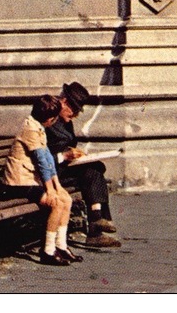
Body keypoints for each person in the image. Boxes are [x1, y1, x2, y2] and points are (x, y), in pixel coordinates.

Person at [1, 94, 80, 266]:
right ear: (50, 119)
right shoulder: (30, 129)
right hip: (19, 183)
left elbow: (49, 160)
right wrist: (50, 190)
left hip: (30, 180)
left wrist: (57, 186)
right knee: (56, 203)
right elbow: (42, 162)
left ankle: (61, 245)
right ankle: (48, 251)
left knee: (65, 198)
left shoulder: (38, 126)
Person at [44, 82, 121, 249]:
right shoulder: (47, 119)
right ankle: (96, 225)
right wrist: (62, 155)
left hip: (63, 167)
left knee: (95, 167)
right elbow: (39, 154)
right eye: (74, 109)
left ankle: (97, 221)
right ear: (63, 101)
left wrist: (74, 153)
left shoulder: (65, 120)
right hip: (50, 172)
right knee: (92, 170)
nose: (76, 114)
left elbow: (67, 144)